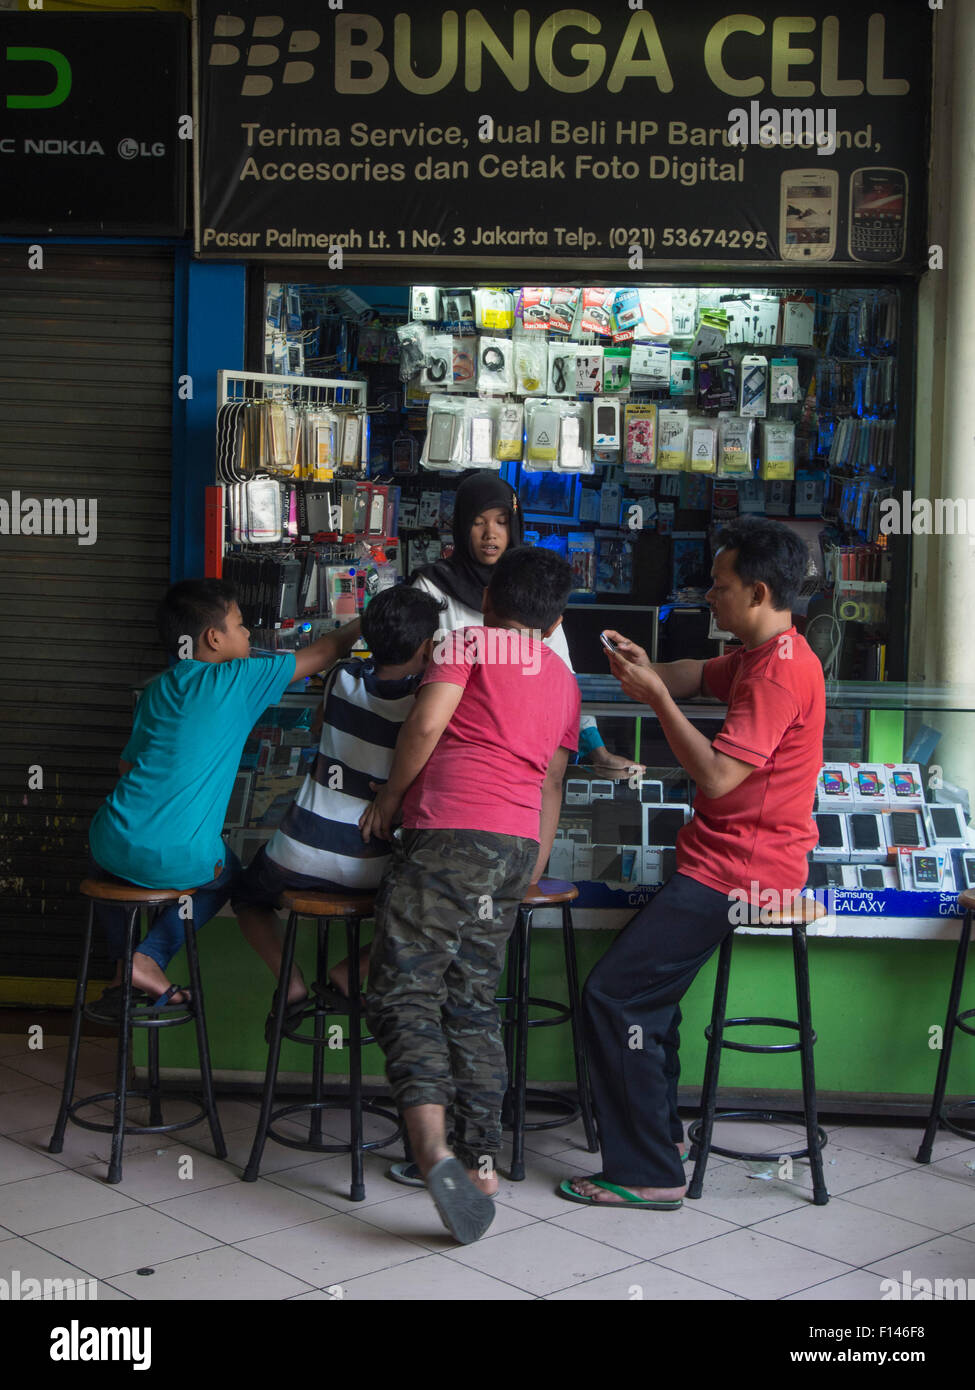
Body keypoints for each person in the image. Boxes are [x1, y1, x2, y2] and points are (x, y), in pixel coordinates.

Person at [560, 518, 825, 1210]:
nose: (709, 595)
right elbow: (691, 676)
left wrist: (655, 699)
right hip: (721, 859)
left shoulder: (778, 675)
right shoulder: (760, 652)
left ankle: (647, 1171)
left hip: (741, 871)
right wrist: (642, 670)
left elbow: (713, 778)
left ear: (759, 591)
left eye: (721, 585)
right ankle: (660, 1139)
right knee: (649, 998)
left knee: (612, 996)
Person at [360, 546, 580, 1243]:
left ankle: (431, 1150)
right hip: (514, 850)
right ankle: (481, 1162)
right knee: (473, 997)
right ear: (552, 624)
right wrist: (530, 867)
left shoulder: (468, 642)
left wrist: (391, 798)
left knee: (404, 987)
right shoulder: (564, 681)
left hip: (450, 830)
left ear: (488, 601)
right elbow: (550, 785)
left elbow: (426, 724)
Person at [86, 579, 361, 1020]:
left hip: (109, 839)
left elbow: (127, 768)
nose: (249, 634)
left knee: (112, 862)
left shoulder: (158, 688)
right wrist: (364, 623)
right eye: (240, 624)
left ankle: (126, 966)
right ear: (214, 638)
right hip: (179, 857)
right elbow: (325, 653)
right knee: (226, 877)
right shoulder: (240, 676)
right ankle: (147, 958)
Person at [231, 585, 445, 1027]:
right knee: (428, 919)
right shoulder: (426, 700)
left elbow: (318, 730)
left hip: (296, 854)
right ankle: (349, 973)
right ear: (427, 647)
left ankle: (289, 981)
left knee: (246, 898)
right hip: (372, 867)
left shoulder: (342, 677)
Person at [411, 470, 640, 776]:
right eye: (478, 522)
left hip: (518, 755)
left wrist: (597, 751)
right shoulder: (430, 587)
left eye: (501, 521)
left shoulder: (533, 589)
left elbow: (563, 681)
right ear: (461, 525)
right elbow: (406, 668)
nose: (490, 533)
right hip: (445, 756)